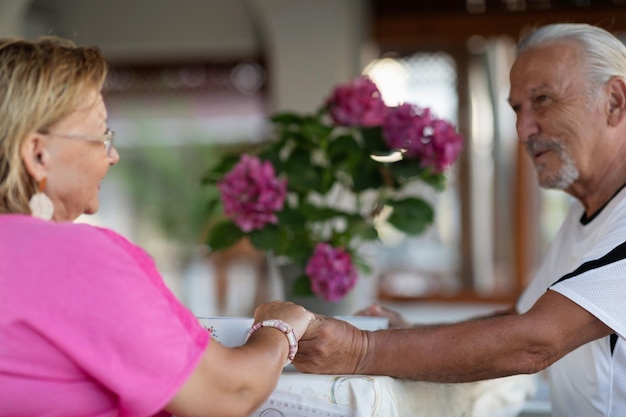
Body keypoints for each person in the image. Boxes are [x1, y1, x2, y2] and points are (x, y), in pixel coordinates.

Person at [293, 22, 626, 417]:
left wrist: (362, 350)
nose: (523, 129)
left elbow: (535, 340)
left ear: (615, 101)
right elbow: (522, 319)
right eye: (517, 109)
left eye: (544, 99)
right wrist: (411, 335)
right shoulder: (584, 214)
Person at [0, 36, 314, 417]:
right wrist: (282, 326)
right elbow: (231, 393)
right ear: (38, 154)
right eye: (101, 136)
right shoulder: (74, 257)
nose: (112, 155)